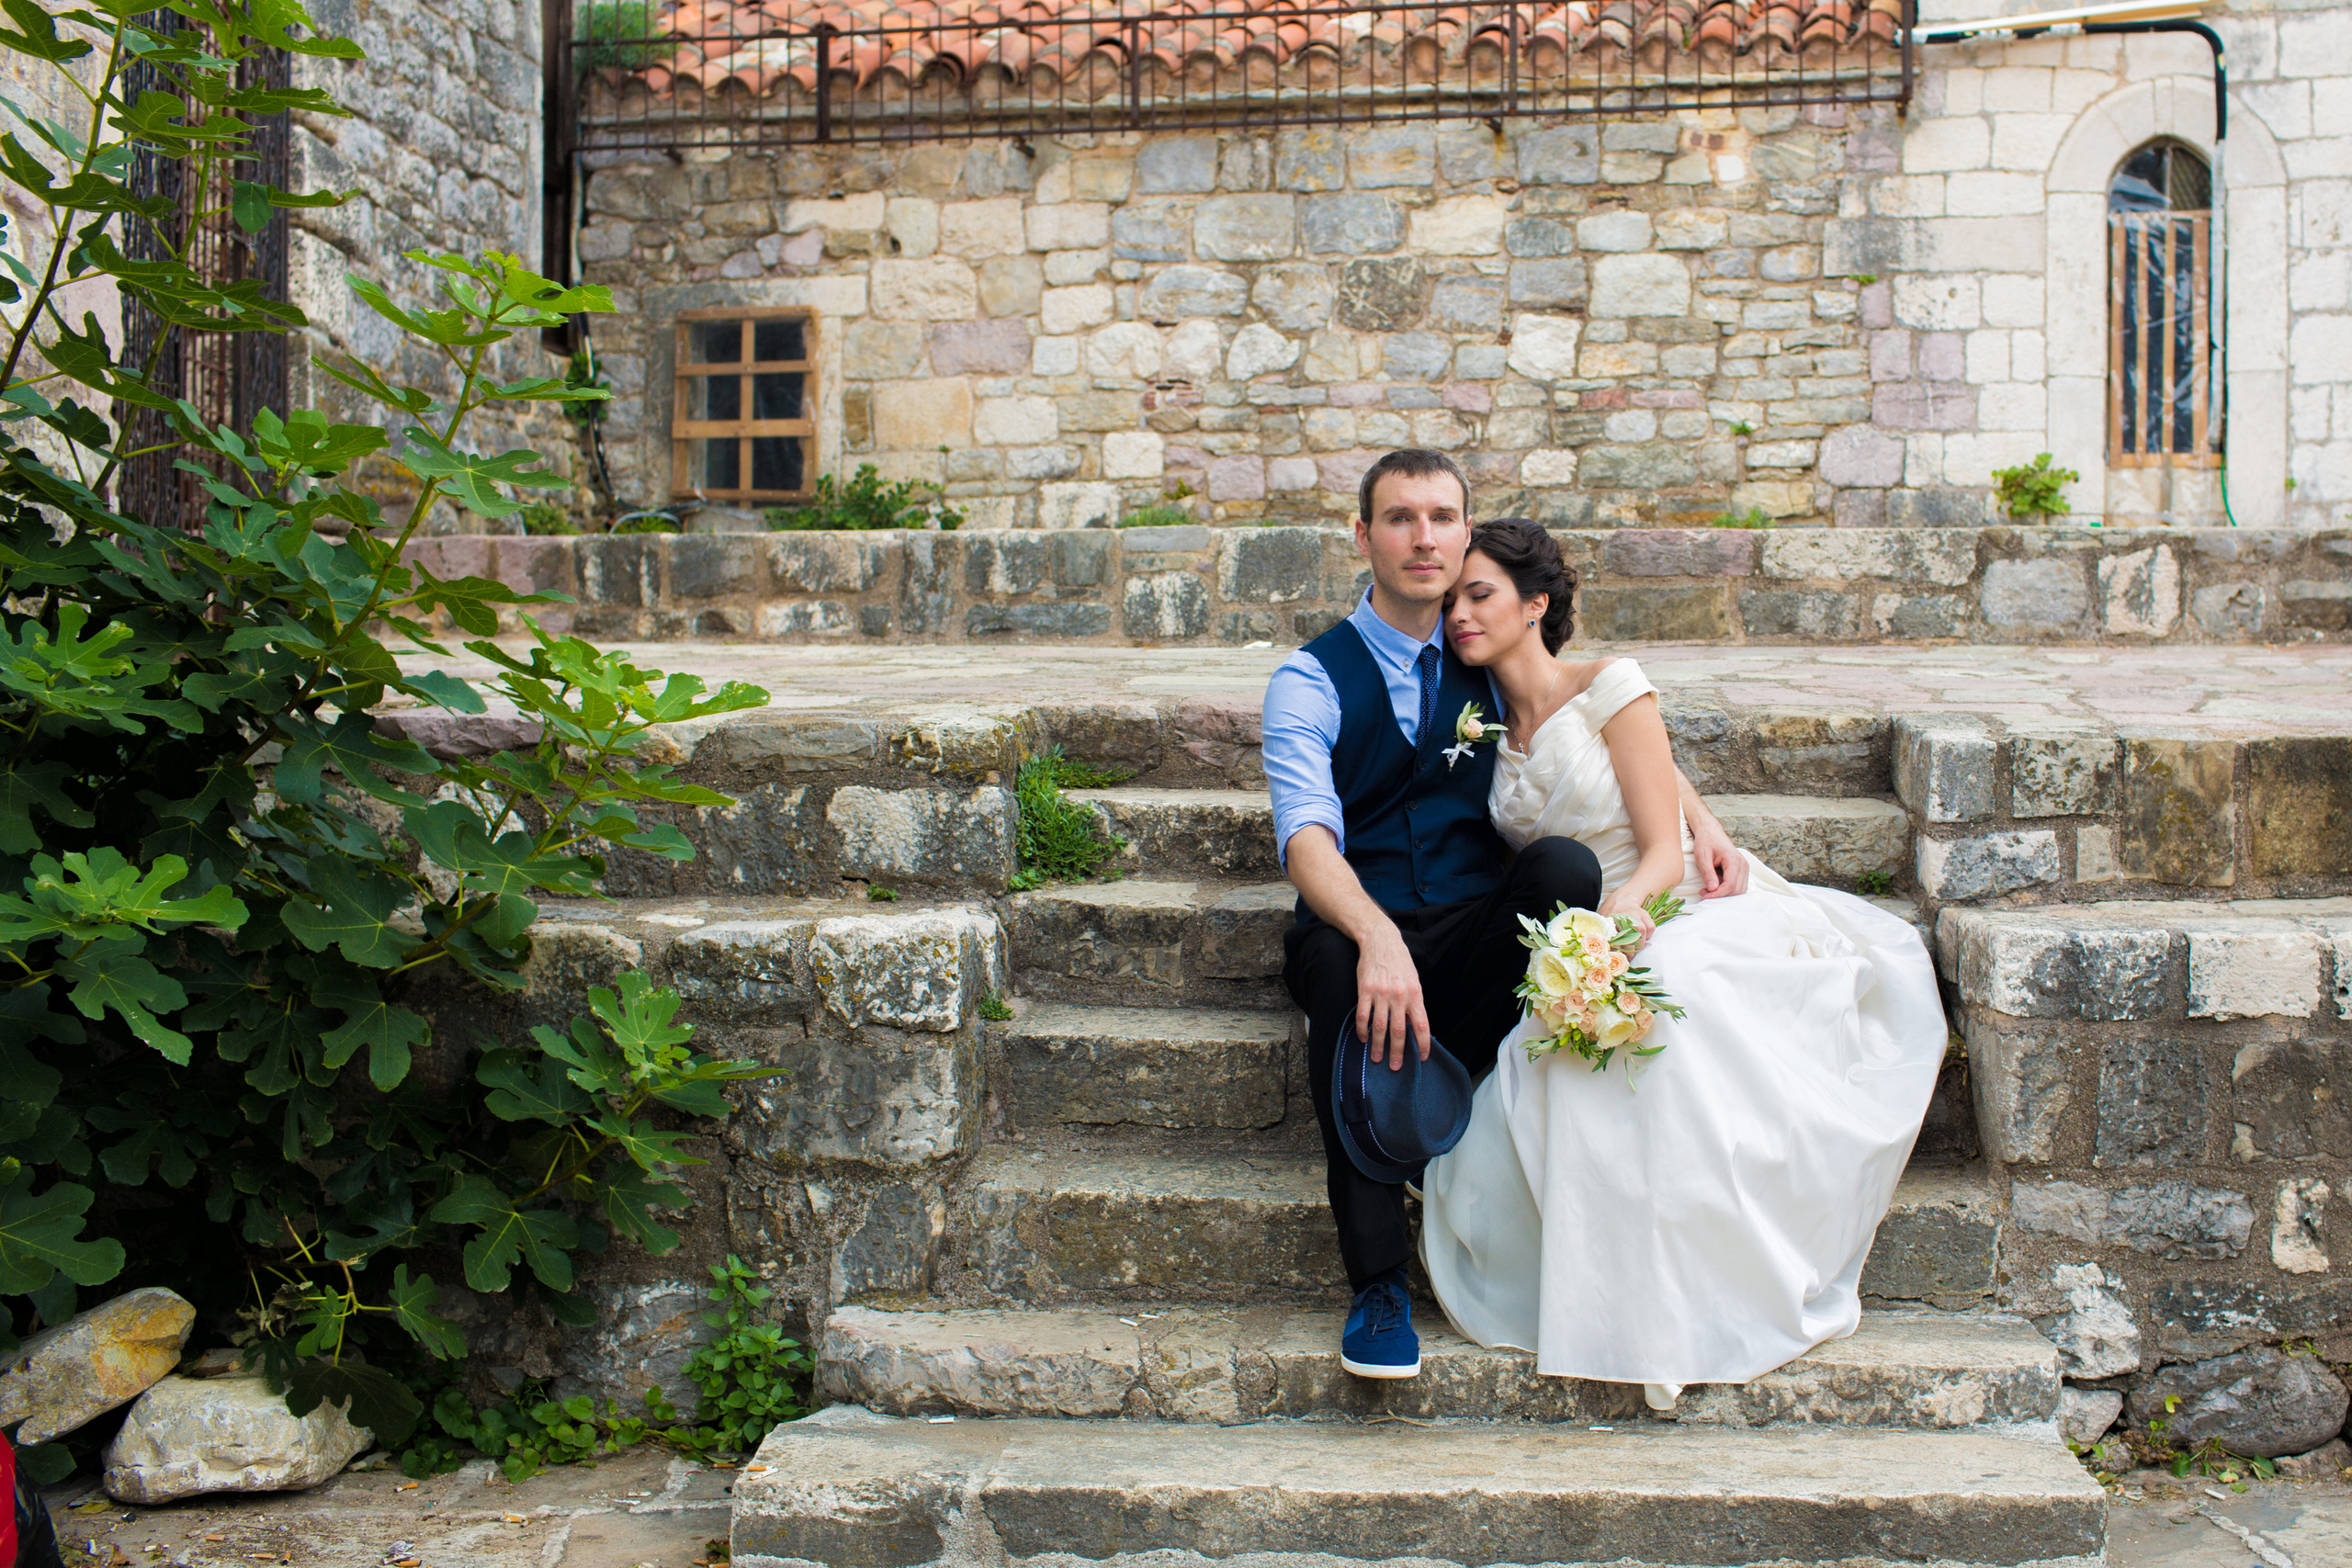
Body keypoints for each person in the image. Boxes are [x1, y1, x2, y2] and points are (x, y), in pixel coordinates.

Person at [1418, 518, 1946, 1410]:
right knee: (1558, 1050)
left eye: (1481, 594)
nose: (1461, 613)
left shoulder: (1611, 685)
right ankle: (1610, 1293)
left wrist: (1634, 907)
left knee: (1668, 1014)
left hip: (1665, 902)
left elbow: (1657, 844)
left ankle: (1703, 1292)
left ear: (1534, 604)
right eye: (1451, 600)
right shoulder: (1479, 727)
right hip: (1575, 926)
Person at [1262, 453, 1748, 1381]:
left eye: (1442, 517)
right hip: (1356, 927)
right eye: (1400, 518)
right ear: (1363, 538)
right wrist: (1373, 938)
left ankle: (1449, 1075)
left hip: (1467, 927)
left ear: (1461, 534)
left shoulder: (1480, 656)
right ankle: (1377, 1286)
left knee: (1560, 868)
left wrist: (1697, 817)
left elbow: (1594, 710)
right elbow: (1306, 841)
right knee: (1332, 971)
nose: (1424, 537)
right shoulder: (1309, 679)